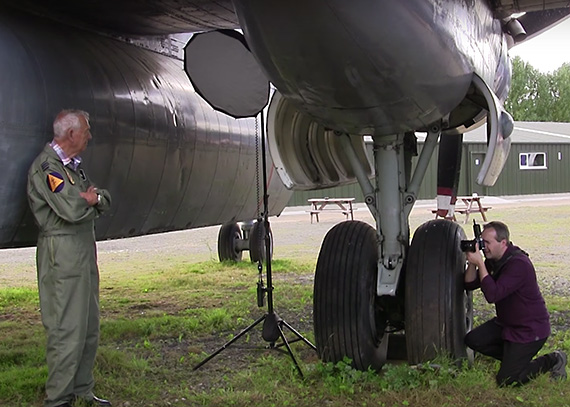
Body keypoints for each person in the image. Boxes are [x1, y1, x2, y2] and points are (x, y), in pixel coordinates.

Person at [27, 110, 112, 407]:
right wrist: (89, 200)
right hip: (61, 255)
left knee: (89, 325)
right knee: (66, 329)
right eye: (86, 131)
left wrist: (94, 198)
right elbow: (72, 209)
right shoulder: (47, 169)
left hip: (82, 252)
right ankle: (59, 398)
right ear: (71, 134)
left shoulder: (73, 168)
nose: (89, 136)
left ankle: (83, 391)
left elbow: (102, 198)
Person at [464, 221, 567, 386]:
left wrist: (481, 264)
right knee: (473, 340)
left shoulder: (519, 264)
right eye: (482, 242)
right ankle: (515, 359)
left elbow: (493, 294)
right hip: (506, 324)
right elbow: (469, 284)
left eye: (487, 243)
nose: (484, 247)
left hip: (529, 329)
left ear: (503, 243)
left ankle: (553, 359)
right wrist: (471, 262)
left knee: (507, 381)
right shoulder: (494, 260)